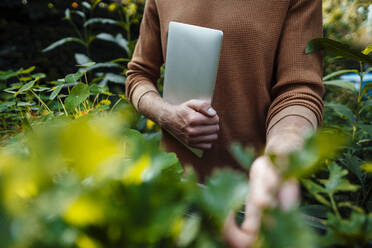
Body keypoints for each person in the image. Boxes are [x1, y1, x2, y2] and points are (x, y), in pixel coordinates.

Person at [125, 0, 324, 246]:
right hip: (173, 191)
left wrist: (279, 159)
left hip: (250, 200)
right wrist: (167, 115)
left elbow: (299, 91)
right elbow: (139, 74)